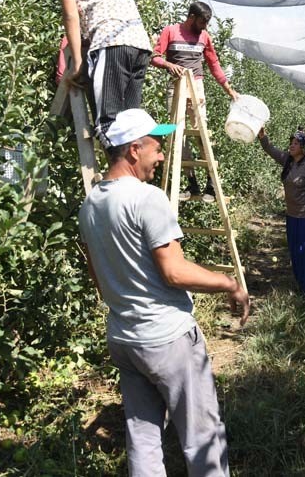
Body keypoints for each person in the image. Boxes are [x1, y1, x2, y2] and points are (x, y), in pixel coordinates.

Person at [78, 108, 250, 476]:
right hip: (166, 338)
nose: (160, 156)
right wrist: (229, 284)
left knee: (142, 434)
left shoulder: (90, 205)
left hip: (124, 337)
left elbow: (98, 275)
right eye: (156, 147)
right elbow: (174, 271)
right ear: (134, 149)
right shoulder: (146, 198)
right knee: (202, 434)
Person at [37, 0, 153, 146]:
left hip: (110, 44)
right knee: (130, 126)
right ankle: (134, 179)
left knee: (109, 126)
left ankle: (117, 182)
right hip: (139, 45)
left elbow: (70, 14)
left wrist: (78, 62)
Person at [151, 0, 238, 201]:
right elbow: (154, 57)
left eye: (207, 22)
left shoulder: (204, 37)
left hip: (196, 86)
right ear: (191, 17)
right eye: (202, 21)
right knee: (178, 136)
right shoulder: (171, 32)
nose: (205, 26)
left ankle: (211, 184)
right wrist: (168, 65)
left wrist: (229, 90)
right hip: (176, 86)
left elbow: (214, 64)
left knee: (200, 133)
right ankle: (192, 184)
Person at [257, 127, 305, 300]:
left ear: (304, 147)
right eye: (291, 143)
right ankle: (301, 284)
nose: (292, 146)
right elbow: (270, 150)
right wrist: (263, 137)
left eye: (296, 143)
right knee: (295, 251)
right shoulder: (289, 161)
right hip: (292, 215)